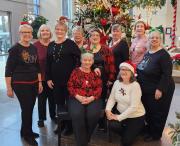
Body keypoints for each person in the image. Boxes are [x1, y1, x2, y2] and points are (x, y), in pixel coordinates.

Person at [5, 23, 43, 146]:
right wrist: (9, 88)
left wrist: (40, 82)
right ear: (20, 34)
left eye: (28, 32)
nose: (26, 34)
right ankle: (28, 135)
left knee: (29, 108)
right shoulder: (15, 49)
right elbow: (8, 69)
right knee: (27, 108)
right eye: (24, 32)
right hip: (20, 83)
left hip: (33, 82)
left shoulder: (33, 47)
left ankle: (25, 131)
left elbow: (37, 67)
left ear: (31, 34)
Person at [137, 30, 175, 141]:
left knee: (157, 112)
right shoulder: (149, 52)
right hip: (147, 87)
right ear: (148, 40)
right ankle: (149, 129)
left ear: (160, 40)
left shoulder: (163, 55)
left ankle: (155, 134)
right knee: (149, 110)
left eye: (156, 38)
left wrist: (160, 89)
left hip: (158, 88)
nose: (154, 39)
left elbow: (167, 74)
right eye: (152, 37)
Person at [46, 20, 81, 135]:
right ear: (55, 31)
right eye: (57, 29)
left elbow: (80, 57)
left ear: (66, 31)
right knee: (59, 103)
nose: (59, 31)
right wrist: (48, 78)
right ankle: (61, 125)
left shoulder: (70, 44)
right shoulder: (51, 45)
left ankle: (69, 126)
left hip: (69, 80)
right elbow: (48, 63)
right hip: (55, 80)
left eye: (62, 29)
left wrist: (76, 72)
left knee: (69, 103)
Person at [106, 61, 145, 146]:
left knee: (126, 142)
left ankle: (134, 130)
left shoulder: (135, 86)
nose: (123, 71)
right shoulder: (117, 83)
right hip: (121, 113)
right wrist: (108, 110)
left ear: (131, 73)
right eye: (122, 69)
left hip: (135, 116)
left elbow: (134, 107)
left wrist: (118, 117)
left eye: (126, 70)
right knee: (112, 125)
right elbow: (112, 99)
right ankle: (129, 131)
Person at [68, 52, 102, 146]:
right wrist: (78, 97)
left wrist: (91, 98)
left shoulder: (95, 72)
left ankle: (86, 137)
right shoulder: (75, 71)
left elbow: (99, 88)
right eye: (85, 60)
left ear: (93, 61)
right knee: (77, 114)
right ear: (81, 61)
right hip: (76, 97)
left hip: (93, 97)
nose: (87, 62)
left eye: (89, 60)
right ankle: (81, 143)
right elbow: (70, 86)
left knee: (93, 115)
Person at [87, 28, 116, 129]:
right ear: (89, 38)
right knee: (90, 99)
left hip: (103, 79)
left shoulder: (106, 49)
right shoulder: (85, 49)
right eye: (92, 35)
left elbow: (111, 64)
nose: (94, 37)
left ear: (100, 37)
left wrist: (111, 79)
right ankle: (90, 120)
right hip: (88, 80)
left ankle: (101, 121)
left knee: (101, 99)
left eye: (97, 35)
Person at [34, 24, 56, 128]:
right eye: (42, 30)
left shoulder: (54, 44)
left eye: (47, 30)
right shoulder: (35, 46)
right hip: (40, 77)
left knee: (52, 99)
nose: (45, 32)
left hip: (52, 77)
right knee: (42, 99)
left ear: (50, 32)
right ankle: (41, 118)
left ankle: (53, 116)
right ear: (40, 33)